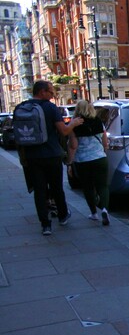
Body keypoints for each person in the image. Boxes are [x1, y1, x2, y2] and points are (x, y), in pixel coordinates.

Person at [18, 80, 84, 235]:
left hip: (32, 156)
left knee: (40, 191)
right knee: (56, 188)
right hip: (52, 154)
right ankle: (62, 216)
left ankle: (45, 225)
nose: (53, 95)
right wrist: (73, 123)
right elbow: (64, 131)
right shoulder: (50, 107)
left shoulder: (21, 108)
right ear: (42, 92)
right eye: (51, 92)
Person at [67, 100, 111, 226]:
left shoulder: (74, 125)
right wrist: (103, 152)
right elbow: (105, 142)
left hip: (83, 161)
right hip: (100, 158)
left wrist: (70, 163)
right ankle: (105, 210)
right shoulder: (98, 122)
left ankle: (94, 213)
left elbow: (73, 146)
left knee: (88, 187)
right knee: (103, 186)